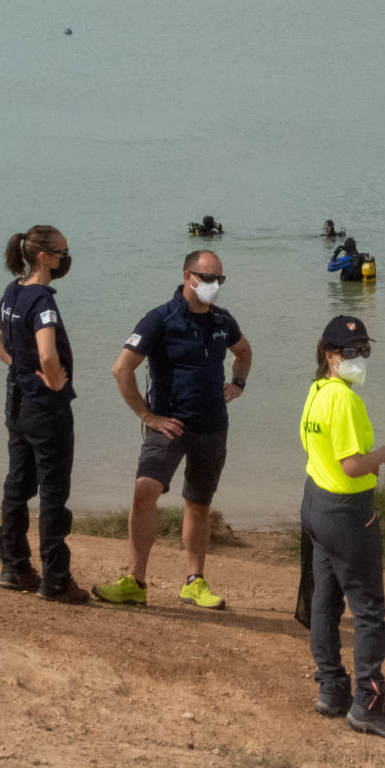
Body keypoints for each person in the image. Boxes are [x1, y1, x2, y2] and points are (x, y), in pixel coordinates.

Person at [98, 249, 252, 608]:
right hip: (169, 424)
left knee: (199, 504)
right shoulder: (160, 319)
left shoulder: (222, 321)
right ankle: (135, 582)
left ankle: (194, 582)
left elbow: (243, 352)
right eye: (208, 278)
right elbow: (122, 369)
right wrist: (147, 416)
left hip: (213, 426)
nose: (215, 286)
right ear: (188, 278)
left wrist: (238, 384)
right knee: (144, 491)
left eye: (220, 279)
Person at [299, 315, 385, 740]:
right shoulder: (343, 399)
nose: (359, 358)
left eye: (364, 350)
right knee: (368, 610)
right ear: (330, 357)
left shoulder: (316, 391)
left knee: (325, 599)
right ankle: (368, 702)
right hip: (346, 510)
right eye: (350, 352)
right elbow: (351, 463)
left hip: (315, 502)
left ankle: (331, 687)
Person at [0, 225, 86, 604]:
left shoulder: (13, 292)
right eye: (62, 253)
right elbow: (47, 353)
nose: (66, 259)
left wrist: (17, 366)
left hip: (17, 403)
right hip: (45, 409)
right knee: (53, 491)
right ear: (44, 258)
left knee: (18, 484)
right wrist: (53, 380)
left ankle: (14, 565)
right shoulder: (42, 301)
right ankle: (55, 579)